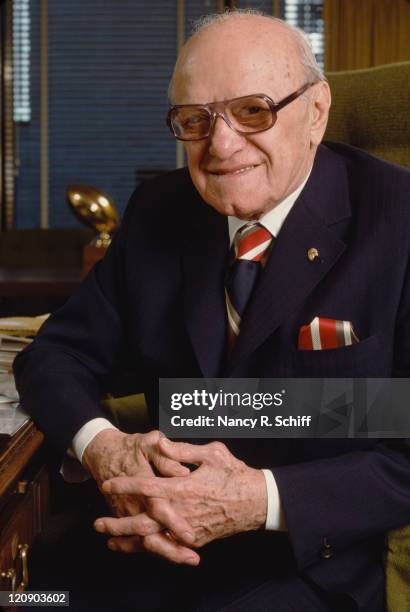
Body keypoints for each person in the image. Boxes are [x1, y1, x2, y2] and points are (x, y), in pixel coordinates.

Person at [13, 10, 410, 612]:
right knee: (27, 600)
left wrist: (255, 498)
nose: (221, 146)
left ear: (317, 111)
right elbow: (57, 354)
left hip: (300, 565)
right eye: (196, 120)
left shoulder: (399, 217)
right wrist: (104, 448)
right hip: (137, 546)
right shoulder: (159, 209)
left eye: (254, 110)